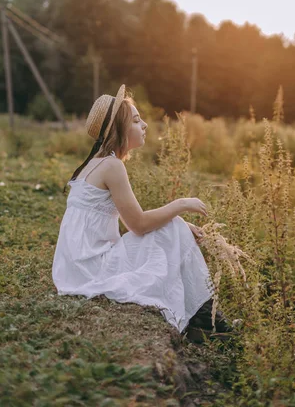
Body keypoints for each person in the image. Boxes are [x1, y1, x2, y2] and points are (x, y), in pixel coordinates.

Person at [52, 84, 230, 334]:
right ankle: (208, 319)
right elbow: (138, 224)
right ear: (119, 129)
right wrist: (181, 205)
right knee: (172, 225)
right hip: (92, 269)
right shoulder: (112, 166)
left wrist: (176, 224)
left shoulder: (94, 164)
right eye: (136, 120)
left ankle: (205, 318)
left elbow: (132, 220)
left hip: (76, 268)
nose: (144, 125)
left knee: (174, 226)